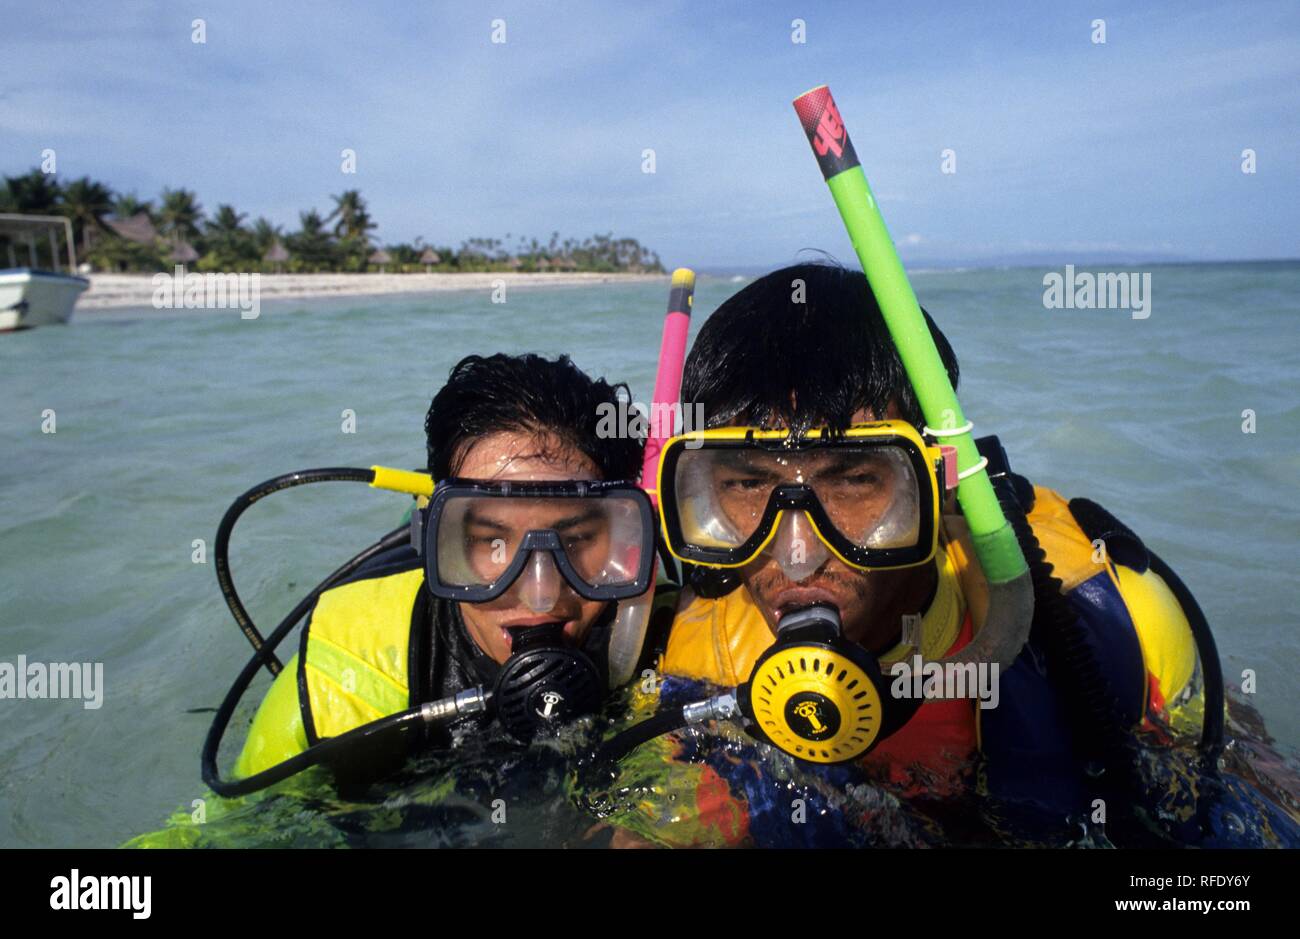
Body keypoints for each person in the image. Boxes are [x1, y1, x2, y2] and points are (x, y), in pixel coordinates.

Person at [596, 263, 1297, 848]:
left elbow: (1253, 793)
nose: (798, 555)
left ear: (939, 484)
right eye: (747, 483)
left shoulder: (1113, 620)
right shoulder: (691, 663)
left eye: (857, 479)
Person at [230, 352, 657, 789]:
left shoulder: (668, 636)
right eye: (490, 539)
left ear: (626, 538)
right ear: (442, 540)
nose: (540, 595)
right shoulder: (345, 670)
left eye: (578, 539)